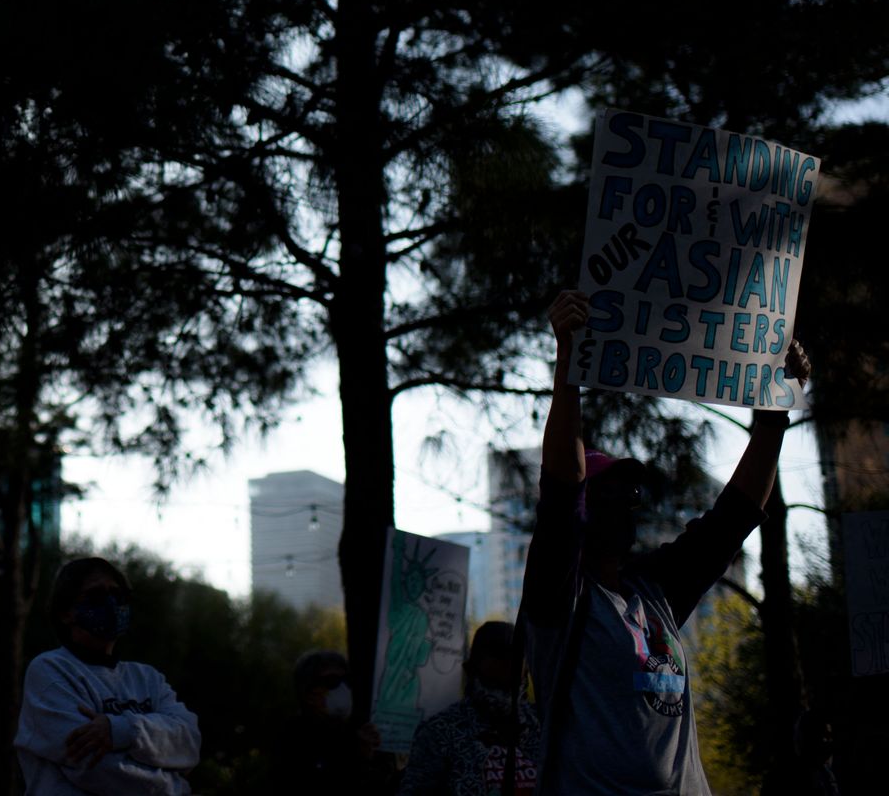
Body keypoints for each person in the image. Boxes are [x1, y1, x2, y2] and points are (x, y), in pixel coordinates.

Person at [521, 289, 808, 793]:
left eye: (635, 492)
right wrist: (569, 362)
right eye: (617, 493)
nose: (633, 503)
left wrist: (774, 414)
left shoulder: (654, 591)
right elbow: (561, 489)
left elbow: (732, 517)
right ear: (588, 509)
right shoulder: (560, 598)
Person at [13, 557, 200, 794]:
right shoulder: (50, 670)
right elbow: (93, 766)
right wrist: (175, 784)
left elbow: (190, 744)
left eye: (117, 595)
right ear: (65, 613)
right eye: (95, 596)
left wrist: (119, 730)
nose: (111, 603)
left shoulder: (149, 678)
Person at [397, 621, 540, 795]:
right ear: (473, 666)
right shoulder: (441, 732)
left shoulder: (541, 726)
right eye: (498, 654)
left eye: (517, 655)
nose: (509, 663)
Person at [264, 649, 395, 792]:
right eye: (332, 682)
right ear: (308, 693)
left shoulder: (354, 732)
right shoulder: (290, 739)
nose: (343, 688)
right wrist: (355, 757)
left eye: (347, 680)